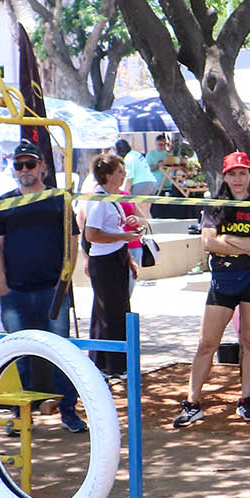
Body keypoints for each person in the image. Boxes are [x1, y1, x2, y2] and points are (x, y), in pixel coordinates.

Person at [173, 151, 250, 427]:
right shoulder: (215, 206)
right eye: (232, 174)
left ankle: (246, 400)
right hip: (222, 282)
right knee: (207, 343)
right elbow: (208, 243)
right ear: (225, 177)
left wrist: (226, 238)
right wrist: (245, 244)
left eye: (242, 173)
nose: (238, 179)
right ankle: (192, 402)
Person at [0, 139, 84, 432]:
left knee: (62, 354)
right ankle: (21, 416)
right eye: (19, 165)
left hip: (53, 292)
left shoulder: (58, 199)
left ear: (41, 166)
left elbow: (72, 241)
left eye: (30, 164)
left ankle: (68, 411)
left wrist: (64, 281)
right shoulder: (5, 202)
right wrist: (3, 289)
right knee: (19, 356)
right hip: (16, 294)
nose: (24, 169)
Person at [81, 153, 143, 378]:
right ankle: (110, 364)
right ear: (107, 176)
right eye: (119, 172)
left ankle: (109, 363)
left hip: (116, 258)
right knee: (109, 313)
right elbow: (91, 234)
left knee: (115, 310)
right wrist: (124, 237)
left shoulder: (112, 198)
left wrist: (127, 254)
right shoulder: (99, 201)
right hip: (104, 262)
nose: (123, 176)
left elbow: (115, 229)